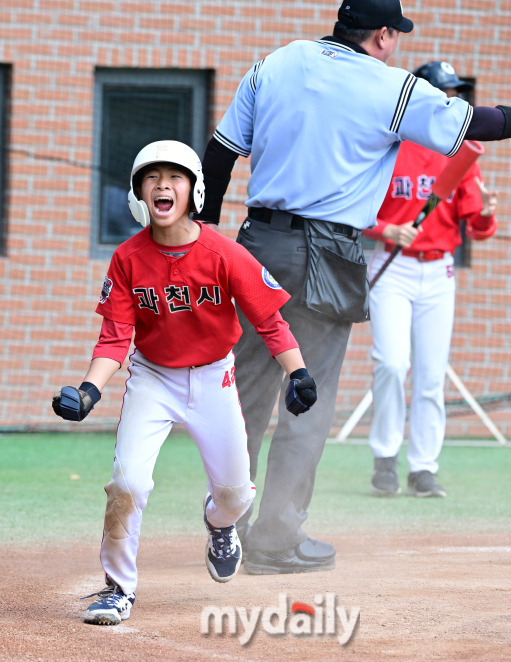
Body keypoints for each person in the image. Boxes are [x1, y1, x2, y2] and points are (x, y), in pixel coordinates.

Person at [195, 0, 511, 575]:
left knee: (246, 395)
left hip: (256, 244)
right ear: (382, 35)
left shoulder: (275, 64)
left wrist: (204, 238)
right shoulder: (386, 86)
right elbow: (473, 122)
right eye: (396, 34)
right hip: (325, 253)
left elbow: (221, 154)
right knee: (307, 397)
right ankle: (275, 539)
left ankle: (223, 527)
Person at [51, 140, 317, 625]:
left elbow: (270, 322)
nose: (162, 185)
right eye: (151, 178)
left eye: (175, 177)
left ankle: (219, 524)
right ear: (139, 194)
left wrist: (297, 374)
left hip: (214, 377)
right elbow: (115, 338)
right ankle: (117, 588)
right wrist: (89, 389)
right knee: (127, 482)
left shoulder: (224, 253)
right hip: (152, 379)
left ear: (193, 191)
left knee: (236, 495)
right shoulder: (128, 258)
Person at [364, 61, 498, 499]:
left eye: (456, 94)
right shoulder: (388, 146)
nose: (453, 101)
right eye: (445, 93)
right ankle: (385, 457)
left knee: (430, 375)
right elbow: (356, 212)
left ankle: (423, 468)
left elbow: (475, 227)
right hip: (392, 264)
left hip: (439, 271)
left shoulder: (460, 152)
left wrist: (486, 214)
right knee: (390, 362)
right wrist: (386, 230)